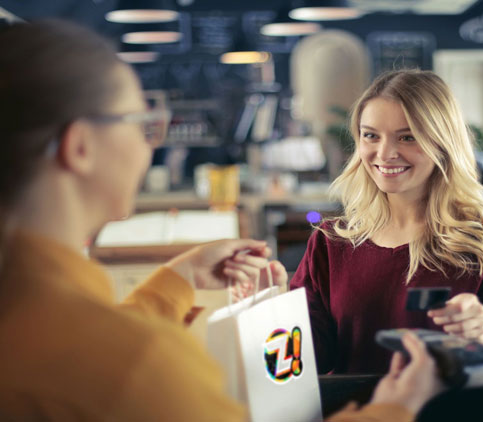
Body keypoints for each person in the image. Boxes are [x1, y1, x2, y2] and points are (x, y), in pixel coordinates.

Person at [0, 20, 443, 421]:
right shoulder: (138, 362)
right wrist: (392, 410)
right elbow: (108, 360)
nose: (149, 143)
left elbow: (84, 352)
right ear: (80, 147)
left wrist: (178, 277)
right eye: (140, 122)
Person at [290, 69, 483, 374]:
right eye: (371, 136)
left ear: (443, 142)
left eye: (408, 137)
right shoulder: (331, 241)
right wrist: (271, 314)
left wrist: (478, 334)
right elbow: (312, 358)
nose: (385, 153)